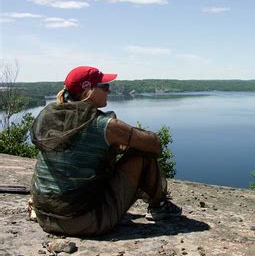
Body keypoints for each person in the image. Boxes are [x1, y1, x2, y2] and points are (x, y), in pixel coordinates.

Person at [30, 66, 182, 236]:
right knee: (142, 154)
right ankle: (159, 206)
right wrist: (121, 144)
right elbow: (154, 144)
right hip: (82, 222)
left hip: (45, 216)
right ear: (89, 90)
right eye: (105, 87)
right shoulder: (104, 125)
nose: (108, 91)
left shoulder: (53, 117)